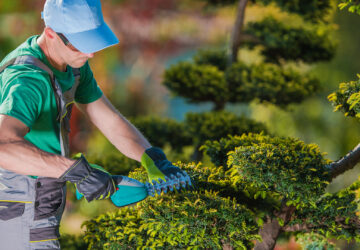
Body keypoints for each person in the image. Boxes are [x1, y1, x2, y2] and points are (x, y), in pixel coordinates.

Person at [0, 0, 190, 249]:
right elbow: (3, 147)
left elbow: (108, 119)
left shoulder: (71, 65)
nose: (90, 53)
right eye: (82, 44)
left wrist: (151, 157)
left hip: (45, 190)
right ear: (51, 34)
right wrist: (78, 172)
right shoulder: (27, 82)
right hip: (16, 201)